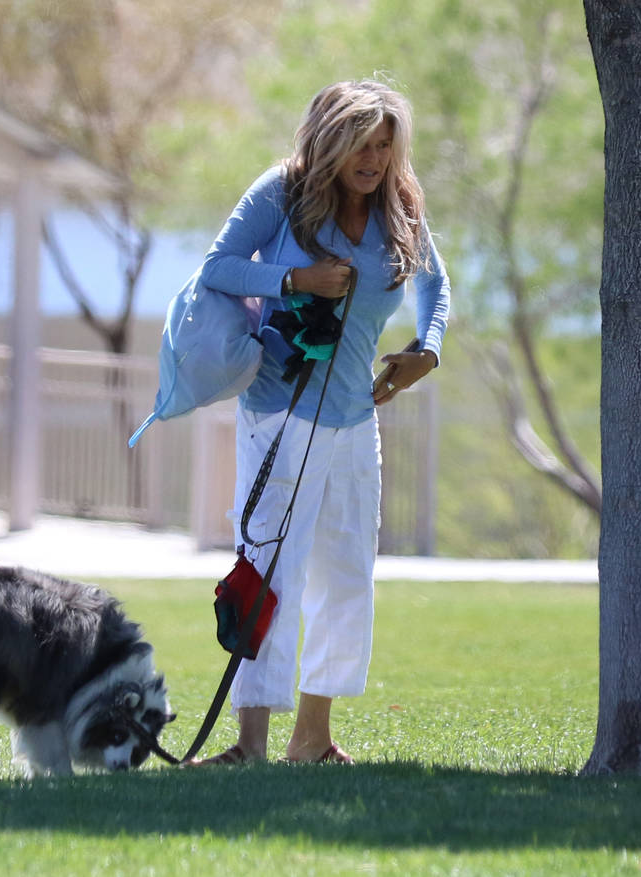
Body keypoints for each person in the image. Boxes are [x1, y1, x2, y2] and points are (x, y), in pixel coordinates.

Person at [190, 78, 450, 765]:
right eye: (361, 143)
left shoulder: (400, 208)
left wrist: (428, 349)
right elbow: (216, 269)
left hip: (354, 422)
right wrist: (295, 281)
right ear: (329, 138)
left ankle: (312, 737)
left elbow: (435, 284)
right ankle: (250, 742)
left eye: (385, 144)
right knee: (272, 567)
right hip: (279, 413)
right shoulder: (283, 191)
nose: (372, 158)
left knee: (347, 573)